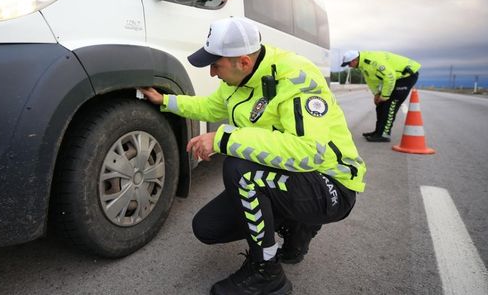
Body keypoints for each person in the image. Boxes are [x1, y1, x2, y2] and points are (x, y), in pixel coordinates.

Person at [141, 17, 366, 295]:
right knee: (206, 228)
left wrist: (223, 139)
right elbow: (209, 108)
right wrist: (164, 100)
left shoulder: (296, 78)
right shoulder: (236, 80)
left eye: (216, 64)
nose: (212, 73)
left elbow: (310, 152)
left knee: (241, 170)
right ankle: (298, 228)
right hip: (292, 179)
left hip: (330, 186)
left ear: (244, 62)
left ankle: (267, 272)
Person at [341, 50, 421, 142]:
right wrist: (377, 94)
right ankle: (378, 132)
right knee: (380, 105)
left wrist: (385, 96)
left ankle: (383, 134)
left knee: (390, 104)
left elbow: (390, 76)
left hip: (406, 75)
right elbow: (371, 80)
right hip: (396, 78)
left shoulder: (372, 61)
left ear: (354, 60)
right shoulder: (363, 65)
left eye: (349, 64)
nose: (349, 66)